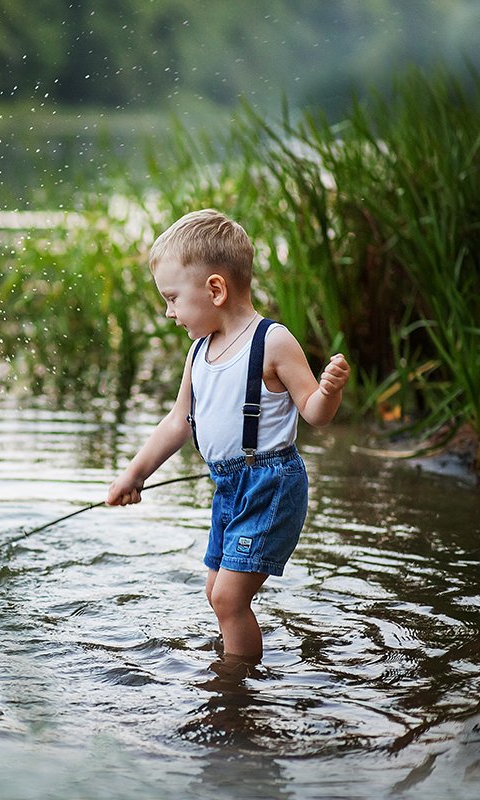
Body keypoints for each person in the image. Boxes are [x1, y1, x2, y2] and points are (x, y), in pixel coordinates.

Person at [106, 209, 350, 664]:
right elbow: (178, 422)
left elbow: (315, 414)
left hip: (270, 483)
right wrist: (134, 475)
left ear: (215, 289)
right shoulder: (199, 351)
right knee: (215, 589)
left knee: (229, 598)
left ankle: (235, 689)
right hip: (229, 486)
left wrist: (328, 389)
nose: (169, 312)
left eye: (174, 298)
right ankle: (234, 665)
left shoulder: (272, 343)